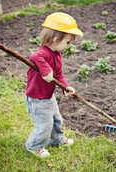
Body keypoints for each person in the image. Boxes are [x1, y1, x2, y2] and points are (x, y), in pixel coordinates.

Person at [25, 12, 84, 157]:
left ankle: (57, 140)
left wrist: (66, 87)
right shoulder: (42, 53)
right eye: (68, 42)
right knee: (44, 125)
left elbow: (59, 75)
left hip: (48, 97)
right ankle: (34, 146)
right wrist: (46, 70)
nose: (69, 45)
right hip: (37, 99)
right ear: (56, 39)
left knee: (56, 119)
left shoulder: (57, 55)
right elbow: (34, 56)